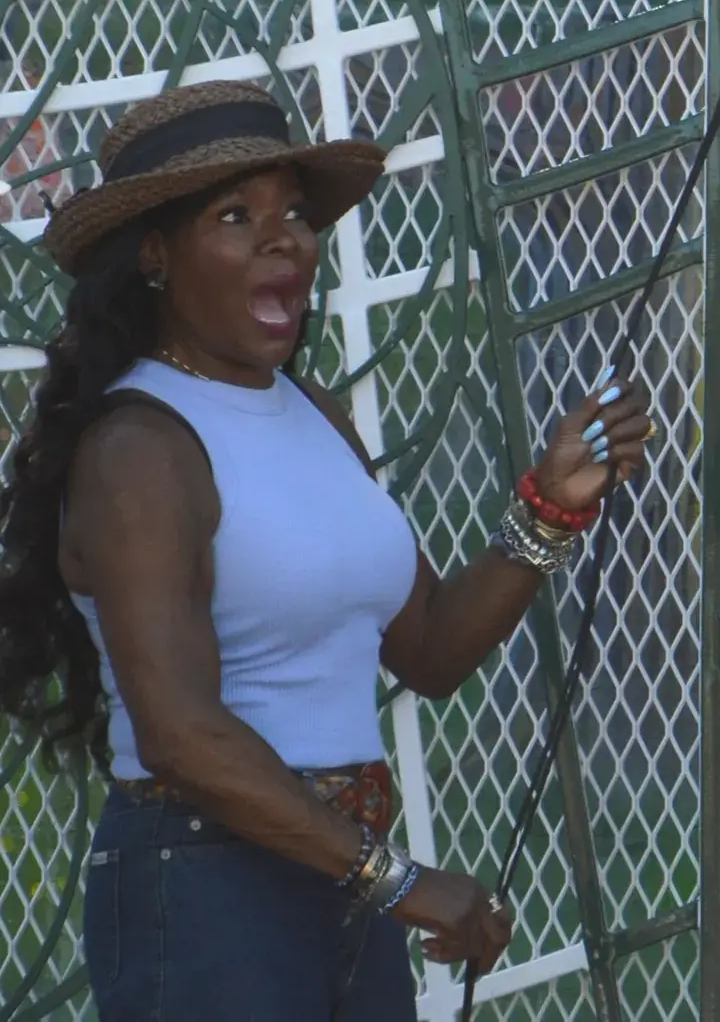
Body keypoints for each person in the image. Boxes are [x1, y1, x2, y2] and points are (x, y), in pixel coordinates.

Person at [0, 79, 653, 1020]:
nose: (285, 240)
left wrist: (550, 508)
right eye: (236, 216)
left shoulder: (313, 412)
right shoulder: (137, 446)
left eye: (296, 215)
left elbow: (428, 648)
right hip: (208, 887)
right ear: (154, 255)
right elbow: (180, 733)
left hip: (340, 873)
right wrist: (397, 879)